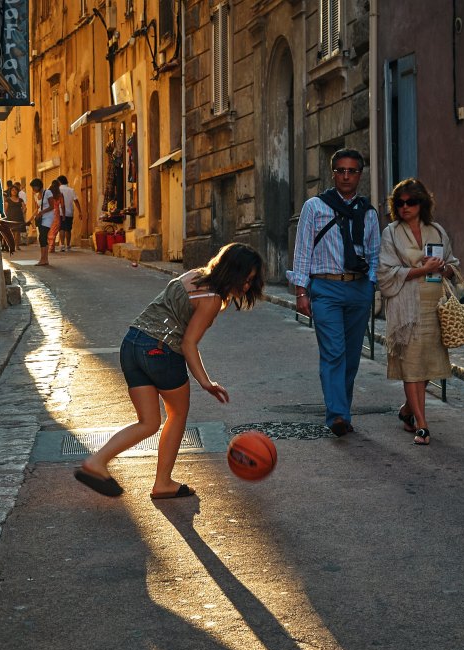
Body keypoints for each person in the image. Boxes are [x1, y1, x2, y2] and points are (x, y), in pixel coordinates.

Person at [75, 243, 264, 499]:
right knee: (177, 414)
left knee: (149, 422)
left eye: (251, 281)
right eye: (246, 279)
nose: (247, 287)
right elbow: (188, 343)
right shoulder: (212, 298)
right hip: (160, 351)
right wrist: (206, 382)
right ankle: (162, 483)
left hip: (131, 344)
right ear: (233, 271)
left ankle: (96, 462)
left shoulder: (193, 276)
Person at [289, 148, 380, 437]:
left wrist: (371, 286)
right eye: (340, 170)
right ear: (333, 173)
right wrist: (301, 292)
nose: (346, 176)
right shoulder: (314, 207)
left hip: (358, 287)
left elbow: (375, 253)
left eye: (352, 171)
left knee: (352, 356)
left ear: (360, 175)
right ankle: (338, 415)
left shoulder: (368, 212)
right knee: (334, 352)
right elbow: (302, 251)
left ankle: (343, 410)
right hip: (325, 288)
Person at [377, 177, 459, 446]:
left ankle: (407, 410)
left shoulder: (437, 230)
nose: (405, 207)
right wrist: (422, 270)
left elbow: (453, 266)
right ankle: (422, 425)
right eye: (399, 203)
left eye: (411, 202)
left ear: (421, 203)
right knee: (412, 365)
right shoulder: (391, 233)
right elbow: (385, 273)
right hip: (405, 309)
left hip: (435, 307)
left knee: (426, 365)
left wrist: (442, 267)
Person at [29, 178, 55, 266]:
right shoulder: (36, 196)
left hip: (48, 217)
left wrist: (42, 212)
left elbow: (52, 206)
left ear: (38, 186)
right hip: (40, 218)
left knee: (43, 237)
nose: (33, 189)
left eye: (34, 187)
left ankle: (43, 259)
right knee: (42, 238)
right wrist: (30, 218)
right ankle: (44, 259)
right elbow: (37, 208)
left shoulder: (47, 192)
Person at [56, 175, 83, 252]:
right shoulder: (71, 190)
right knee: (68, 229)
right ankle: (68, 245)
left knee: (61, 228)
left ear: (59, 182)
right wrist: (80, 212)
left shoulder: (58, 190)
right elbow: (76, 201)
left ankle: (62, 246)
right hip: (69, 212)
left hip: (60, 212)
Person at [47, 179, 65, 252]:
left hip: (48, 213)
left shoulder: (48, 194)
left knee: (49, 229)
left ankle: (51, 246)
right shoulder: (60, 195)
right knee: (54, 229)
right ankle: (51, 246)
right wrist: (63, 215)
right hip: (56, 213)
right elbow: (63, 206)